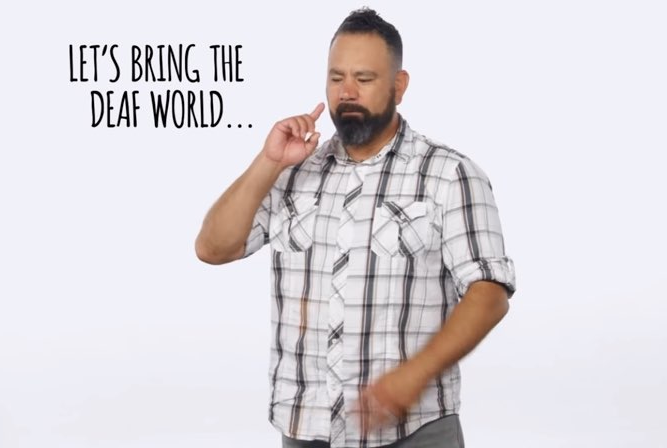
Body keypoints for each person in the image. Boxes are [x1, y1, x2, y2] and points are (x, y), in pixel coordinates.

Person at [195, 8, 515, 448]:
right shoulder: (292, 171)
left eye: (364, 80)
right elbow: (213, 248)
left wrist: (413, 376)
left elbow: (490, 292)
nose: (347, 93)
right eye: (336, 78)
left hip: (414, 431)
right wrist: (268, 162)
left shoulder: (449, 174)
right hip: (306, 431)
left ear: (398, 87)